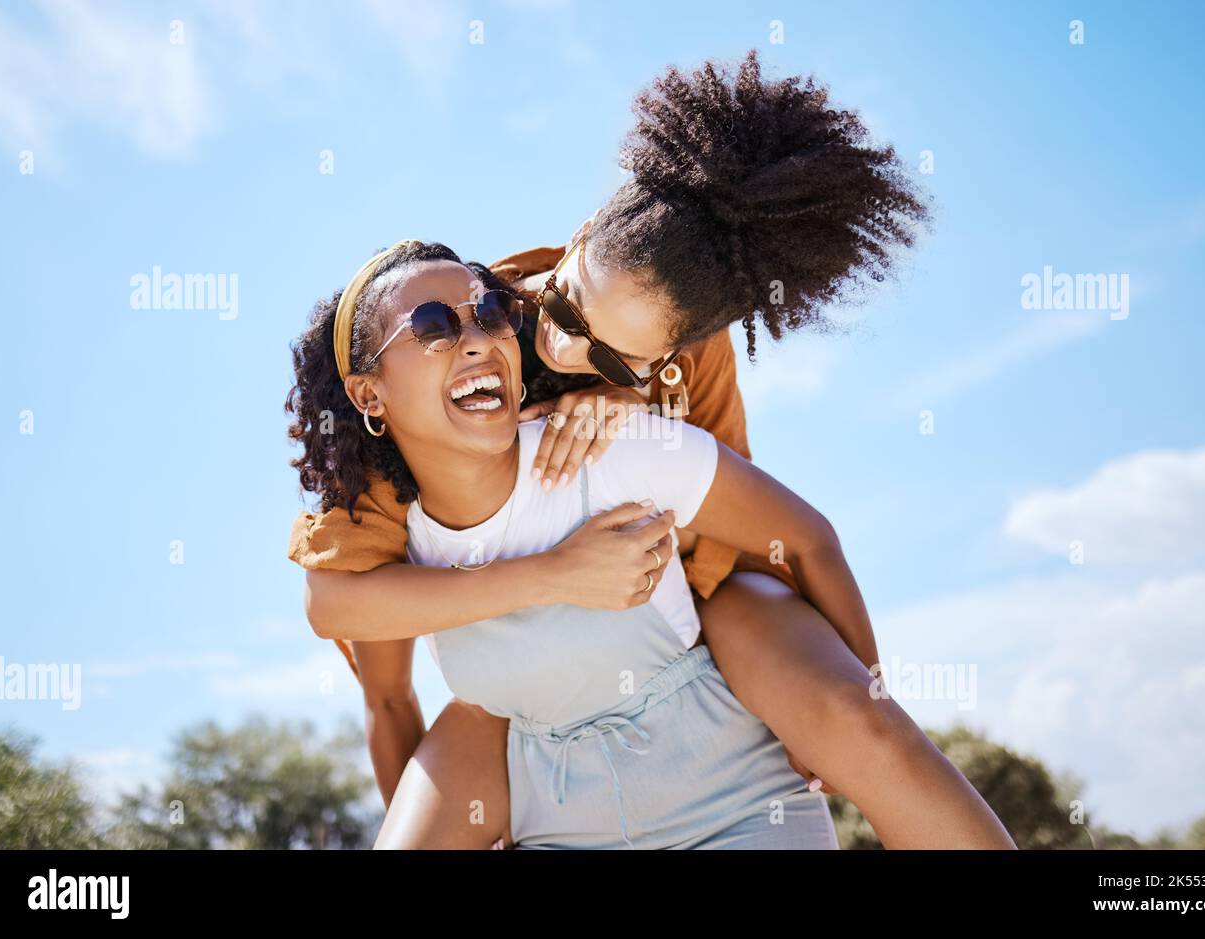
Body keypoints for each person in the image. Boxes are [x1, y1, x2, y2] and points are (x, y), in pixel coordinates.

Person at [287, 53, 1015, 848]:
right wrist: (554, 574)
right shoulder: (457, 354)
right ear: (574, 244)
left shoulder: (673, 369)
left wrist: (858, 699)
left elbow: (783, 533)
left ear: (669, 348)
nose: (563, 345)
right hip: (531, 673)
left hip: (709, 590)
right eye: (559, 310)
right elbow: (347, 612)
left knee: (862, 727)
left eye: (608, 356)